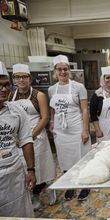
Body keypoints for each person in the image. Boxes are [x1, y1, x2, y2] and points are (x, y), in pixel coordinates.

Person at [9, 64, 56, 210]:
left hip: (37, 135)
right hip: (18, 138)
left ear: (30, 78)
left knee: (42, 166)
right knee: (26, 168)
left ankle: (49, 187)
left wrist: (31, 136)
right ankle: (33, 195)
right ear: (14, 79)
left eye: (24, 77)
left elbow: (45, 117)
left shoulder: (39, 95)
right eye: (18, 77)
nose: (21, 80)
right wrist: (15, 136)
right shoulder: (10, 96)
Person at [48, 55, 91, 201]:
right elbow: (53, 109)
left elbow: (85, 110)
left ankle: (85, 185)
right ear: (55, 71)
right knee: (65, 159)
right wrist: (52, 122)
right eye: (59, 69)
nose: (63, 72)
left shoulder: (79, 87)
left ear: (69, 70)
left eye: (65, 69)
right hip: (60, 131)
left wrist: (85, 130)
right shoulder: (51, 89)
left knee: (82, 157)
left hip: (76, 128)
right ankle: (70, 184)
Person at [0, 61, 36, 217]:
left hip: (14, 170)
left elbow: (26, 140)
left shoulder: (16, 110)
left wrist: (31, 169)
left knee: (19, 211)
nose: (4, 89)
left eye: (7, 85)